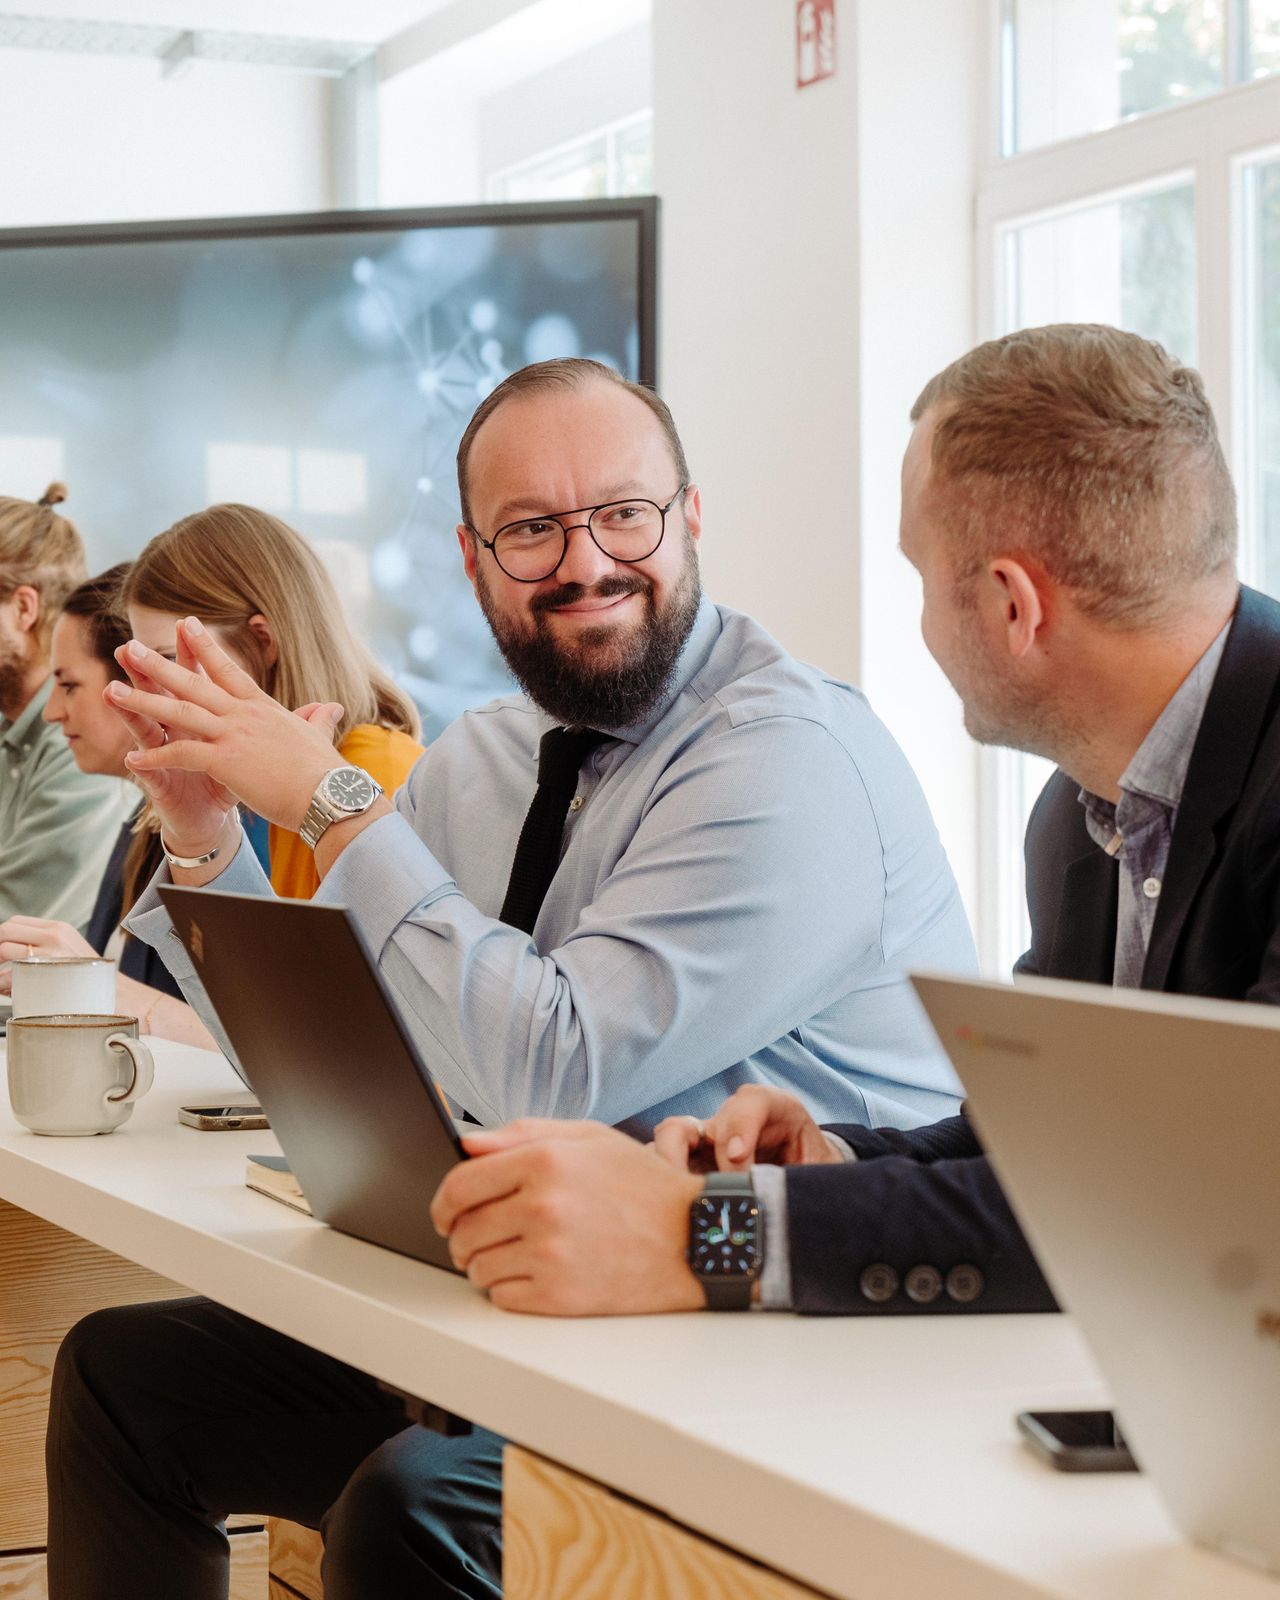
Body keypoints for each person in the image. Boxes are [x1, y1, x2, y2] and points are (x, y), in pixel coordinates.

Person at [46, 361, 975, 1599]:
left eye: (622, 514)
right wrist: (209, 833)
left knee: (413, 1511)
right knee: (126, 1377)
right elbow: (322, 1051)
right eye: (531, 529)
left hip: (742, 1335)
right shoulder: (484, 754)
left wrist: (328, 800)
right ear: (474, 560)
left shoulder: (785, 757)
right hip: (511, 1307)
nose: (584, 561)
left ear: (690, 518)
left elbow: (553, 1067)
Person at [426, 322, 1276, 1322]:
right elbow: (1059, 1156)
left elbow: (1213, 1199)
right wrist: (823, 1161)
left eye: (918, 573)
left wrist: (707, 1234)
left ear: (1010, 605)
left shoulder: (815, 751)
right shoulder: (1080, 815)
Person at [119, 503, 425, 899]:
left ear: (263, 640)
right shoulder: (238, 786)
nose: (157, 694)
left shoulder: (374, 771)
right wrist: (197, 840)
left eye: (172, 662)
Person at [0, 563, 214, 1046]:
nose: (53, 711)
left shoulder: (220, 838)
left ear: (139, 685)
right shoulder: (139, 830)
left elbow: (248, 1043)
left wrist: (85, 980)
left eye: (69, 685)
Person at [0, 484, 134, 927]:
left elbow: (14, 923)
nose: (58, 708)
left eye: (70, 685)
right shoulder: (11, 730)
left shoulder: (81, 747)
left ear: (23, 608)